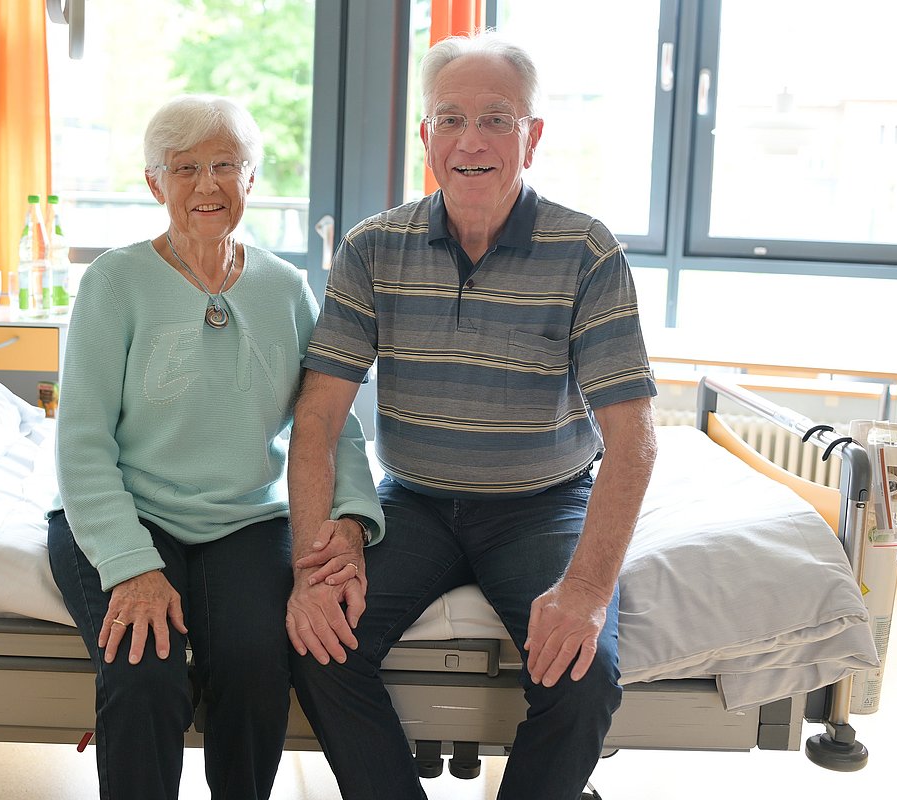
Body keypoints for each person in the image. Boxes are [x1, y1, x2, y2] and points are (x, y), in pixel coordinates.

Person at [284, 32, 658, 800]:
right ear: (425, 137)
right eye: (449, 119)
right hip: (414, 502)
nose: (471, 140)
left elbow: (634, 442)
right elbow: (318, 420)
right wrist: (309, 569)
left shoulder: (586, 252)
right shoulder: (373, 248)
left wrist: (585, 591)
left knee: (585, 676)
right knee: (318, 642)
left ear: (534, 135)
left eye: (497, 118)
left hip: (542, 506)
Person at [47, 94, 383, 800]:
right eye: (185, 168)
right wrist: (131, 567)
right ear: (154, 184)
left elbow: (330, 424)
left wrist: (350, 517)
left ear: (251, 179)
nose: (207, 185)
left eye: (225, 165)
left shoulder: (286, 289)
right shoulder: (115, 282)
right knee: (145, 667)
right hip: (127, 514)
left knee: (258, 664)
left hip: (241, 517)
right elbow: (79, 442)